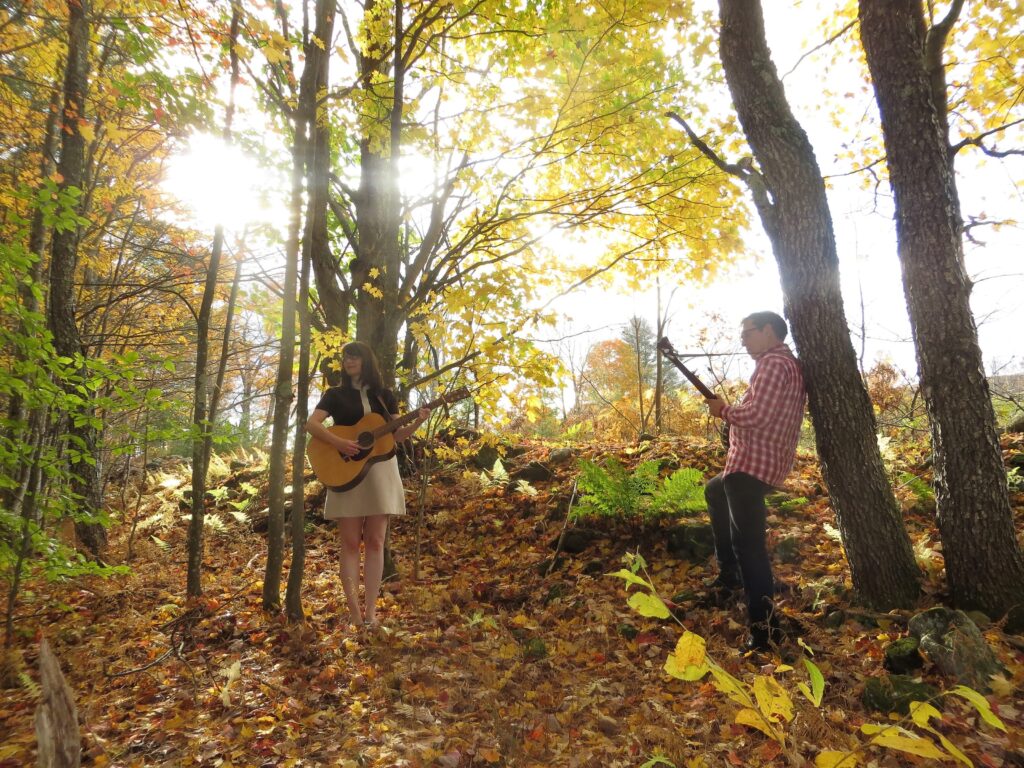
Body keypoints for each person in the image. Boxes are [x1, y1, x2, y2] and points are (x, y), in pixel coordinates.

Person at [305, 341, 430, 630]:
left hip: (381, 471)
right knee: (350, 543)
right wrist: (339, 443)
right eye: (345, 357)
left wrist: (418, 422)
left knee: (375, 542)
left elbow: (397, 435)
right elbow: (312, 425)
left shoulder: (384, 395)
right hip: (346, 471)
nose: (349, 361)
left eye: (355, 356)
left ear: (366, 360)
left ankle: (371, 613)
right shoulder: (334, 394)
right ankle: (354, 614)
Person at [703, 311, 806, 651]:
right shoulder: (785, 364)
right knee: (714, 490)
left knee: (749, 548)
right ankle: (730, 574)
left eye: (747, 332)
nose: (743, 339)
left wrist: (723, 411)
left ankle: (764, 631)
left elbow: (758, 416)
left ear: (768, 331)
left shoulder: (773, 364)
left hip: (751, 469)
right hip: (754, 466)